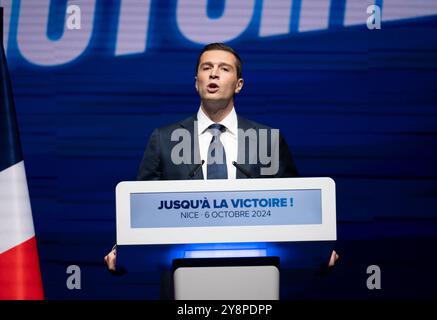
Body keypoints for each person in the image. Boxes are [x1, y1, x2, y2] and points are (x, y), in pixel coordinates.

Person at [104, 43, 338, 272]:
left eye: (224, 69)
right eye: (206, 68)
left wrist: (317, 247)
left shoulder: (268, 140)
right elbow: (144, 211)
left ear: (239, 85)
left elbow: (292, 209)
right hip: (184, 270)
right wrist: (125, 246)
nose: (214, 73)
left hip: (255, 270)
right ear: (197, 83)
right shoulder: (164, 139)